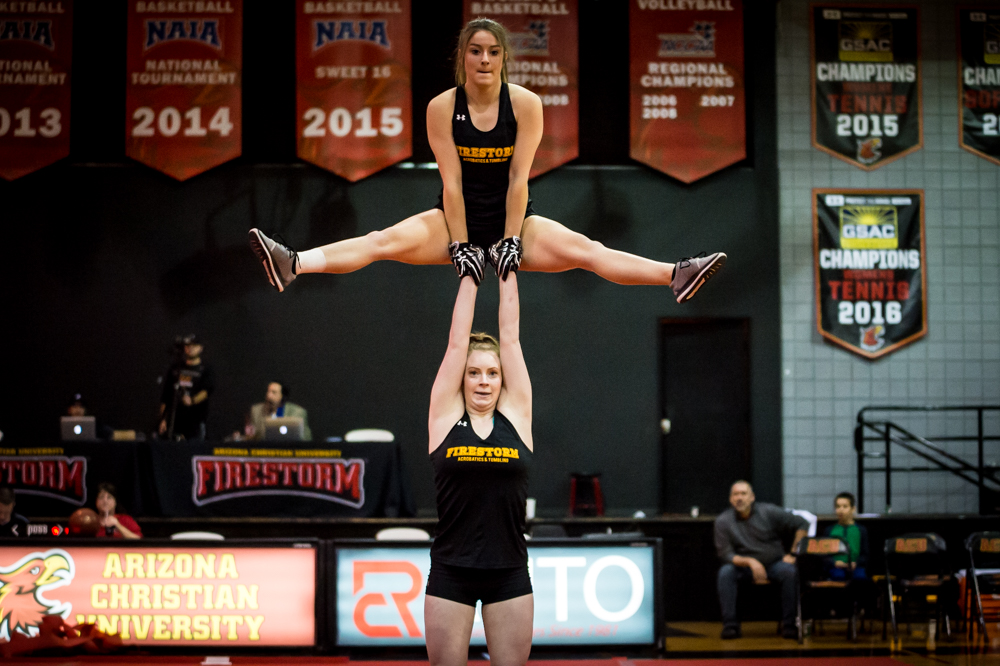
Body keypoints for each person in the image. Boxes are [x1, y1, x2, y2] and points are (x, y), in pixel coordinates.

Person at [249, 18, 725, 304]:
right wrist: (459, 245)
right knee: (381, 241)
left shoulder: (526, 105)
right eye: (476, 51)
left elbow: (519, 179)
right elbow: (452, 184)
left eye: (493, 52)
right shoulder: (441, 107)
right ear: (463, 56)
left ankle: (676, 274)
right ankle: (294, 263)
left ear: (503, 58)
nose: (484, 59)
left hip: (513, 222)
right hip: (452, 221)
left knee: (588, 250)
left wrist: (512, 240)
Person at [425, 270, 533, 665]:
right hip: (451, 570)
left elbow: (511, 338)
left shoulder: (517, 416)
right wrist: (469, 275)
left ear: (503, 379)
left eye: (492, 373)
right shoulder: (444, 418)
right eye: (473, 373)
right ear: (462, 378)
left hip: (509, 570)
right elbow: (457, 343)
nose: (483, 382)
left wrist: (507, 271)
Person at [714, 480, 809, 640]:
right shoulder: (723, 521)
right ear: (730, 499)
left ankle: (789, 625)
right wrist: (750, 562)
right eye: (735, 494)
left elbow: (802, 523)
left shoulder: (768, 511)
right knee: (725, 573)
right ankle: (730, 626)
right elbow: (725, 555)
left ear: (752, 497)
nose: (739, 498)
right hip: (743, 567)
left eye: (743, 494)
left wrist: (794, 553)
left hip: (774, 563)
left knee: (789, 572)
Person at [158, 334, 215, 440]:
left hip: (195, 421)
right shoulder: (176, 368)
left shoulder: (205, 369)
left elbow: (207, 391)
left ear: (200, 348)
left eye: (194, 345)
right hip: (175, 421)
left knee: (194, 446)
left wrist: (192, 400)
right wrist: (163, 419)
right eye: (188, 345)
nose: (190, 348)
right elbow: (166, 396)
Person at [824, 491, 869, 581]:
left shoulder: (861, 530)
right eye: (838, 507)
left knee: (860, 578)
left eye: (845, 506)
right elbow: (824, 555)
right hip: (835, 568)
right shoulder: (829, 530)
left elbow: (865, 555)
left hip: (856, 567)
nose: (841, 510)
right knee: (838, 576)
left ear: (853, 509)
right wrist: (834, 562)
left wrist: (856, 563)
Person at [248, 381, 313, 441]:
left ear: (282, 396)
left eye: (274, 392)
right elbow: (252, 436)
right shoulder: (256, 411)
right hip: (265, 448)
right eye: (268, 392)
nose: (269, 396)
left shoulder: (298, 412)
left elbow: (306, 438)